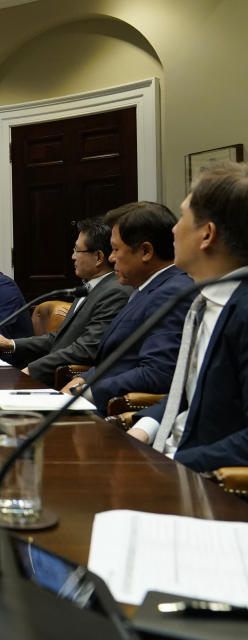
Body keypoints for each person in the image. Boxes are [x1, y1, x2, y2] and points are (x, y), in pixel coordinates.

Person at [127, 163, 248, 471]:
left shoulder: (243, 311)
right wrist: (145, 428)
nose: (173, 228)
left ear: (207, 235)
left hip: (207, 487)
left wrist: (168, 464)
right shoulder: (204, 298)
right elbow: (190, 395)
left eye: (183, 217)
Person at [61, 202, 194, 414]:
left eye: (115, 249)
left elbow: (157, 373)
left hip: (115, 415)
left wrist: (87, 390)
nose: (111, 258)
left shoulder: (173, 293)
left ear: (146, 251)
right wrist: (82, 379)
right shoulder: (144, 288)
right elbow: (118, 360)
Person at [0, 217, 131, 386]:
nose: (72, 256)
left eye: (77, 250)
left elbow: (85, 349)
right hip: (50, 373)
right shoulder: (90, 287)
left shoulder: (114, 292)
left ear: (98, 257)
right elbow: (60, 339)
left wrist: (31, 370)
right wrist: (11, 343)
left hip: (67, 382)